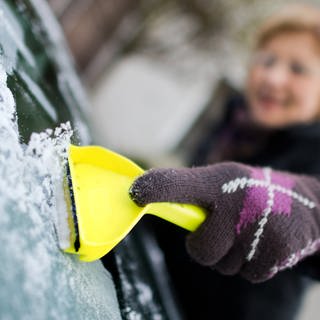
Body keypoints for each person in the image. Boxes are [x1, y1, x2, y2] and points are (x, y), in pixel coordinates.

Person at [129, 4, 320, 320]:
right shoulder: (233, 125)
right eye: (267, 60)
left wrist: (296, 206)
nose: (273, 77)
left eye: (298, 69)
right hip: (156, 295)